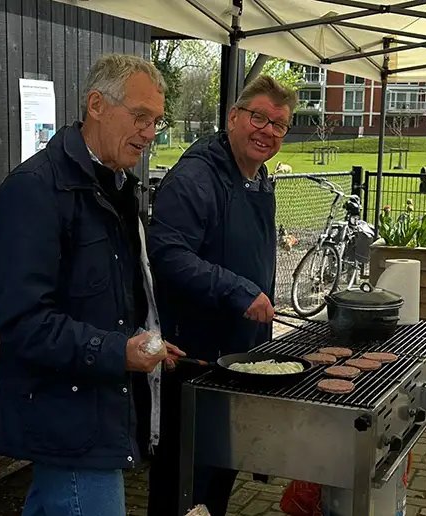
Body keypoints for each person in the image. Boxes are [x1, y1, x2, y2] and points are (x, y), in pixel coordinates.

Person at [0, 53, 183, 516]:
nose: (150, 133)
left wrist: (141, 339)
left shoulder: (117, 187)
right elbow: (24, 322)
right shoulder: (33, 191)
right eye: (140, 117)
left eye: (156, 120)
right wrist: (120, 351)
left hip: (97, 414)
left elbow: (113, 298)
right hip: (67, 423)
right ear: (96, 104)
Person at [146, 75, 298, 515]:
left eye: (279, 125)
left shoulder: (258, 178)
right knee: (185, 479)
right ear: (234, 117)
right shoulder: (195, 177)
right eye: (258, 118)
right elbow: (168, 255)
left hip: (241, 358)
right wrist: (238, 291)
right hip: (195, 359)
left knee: (223, 469)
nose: (267, 131)